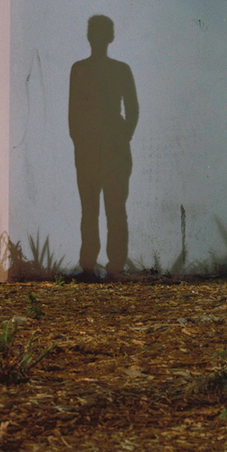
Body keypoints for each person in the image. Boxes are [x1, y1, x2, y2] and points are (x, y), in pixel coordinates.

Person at [68, 14, 138, 277]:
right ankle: (113, 266)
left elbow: (73, 113)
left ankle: (92, 266)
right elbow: (132, 110)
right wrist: (122, 136)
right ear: (111, 36)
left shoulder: (80, 69)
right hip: (109, 147)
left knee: (94, 210)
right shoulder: (120, 70)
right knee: (113, 210)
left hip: (93, 148)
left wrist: (82, 141)